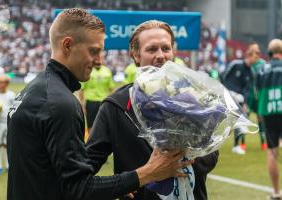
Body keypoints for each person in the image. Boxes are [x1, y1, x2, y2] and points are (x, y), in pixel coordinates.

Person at [7, 9, 191, 200]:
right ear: (67, 45)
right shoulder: (61, 104)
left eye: (166, 48)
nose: (99, 61)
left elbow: (59, 179)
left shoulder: (33, 90)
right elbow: (79, 188)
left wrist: (115, 187)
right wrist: (148, 173)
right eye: (94, 51)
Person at [86, 20, 219, 200]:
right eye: (151, 49)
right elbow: (86, 167)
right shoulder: (115, 106)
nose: (160, 55)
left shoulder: (192, 98)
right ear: (136, 55)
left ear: (173, 52)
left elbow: (211, 155)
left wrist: (183, 160)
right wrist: (121, 186)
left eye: (166, 48)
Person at [221, 43, 260, 155]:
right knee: (219, 121)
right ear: (249, 55)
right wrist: (227, 92)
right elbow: (223, 75)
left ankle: (237, 145)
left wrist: (245, 103)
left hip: (239, 99)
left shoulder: (251, 72)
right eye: (255, 57)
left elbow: (247, 89)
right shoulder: (235, 64)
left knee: (240, 120)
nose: (256, 60)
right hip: (227, 96)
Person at [255, 39, 282, 200]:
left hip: (268, 111)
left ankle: (276, 192)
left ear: (270, 53)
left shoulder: (261, 70)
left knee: (272, 152)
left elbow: (257, 92)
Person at [77, 63, 114, 134]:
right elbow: (81, 89)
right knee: (91, 125)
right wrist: (82, 104)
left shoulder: (107, 71)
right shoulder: (87, 71)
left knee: (105, 125)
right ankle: (92, 144)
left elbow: (111, 89)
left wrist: (111, 103)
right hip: (91, 102)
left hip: (104, 102)